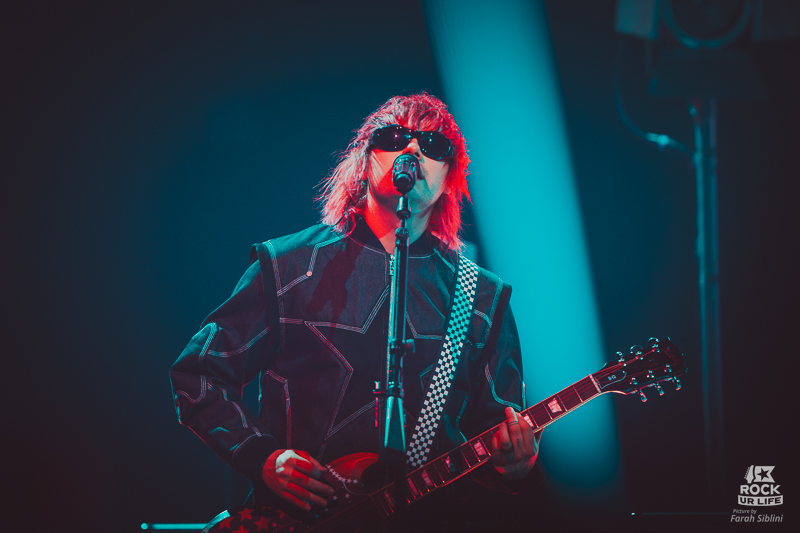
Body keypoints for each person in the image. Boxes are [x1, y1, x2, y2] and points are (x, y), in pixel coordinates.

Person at [170, 93, 540, 529]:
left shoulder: (480, 296)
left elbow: (497, 430)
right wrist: (263, 458)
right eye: (393, 138)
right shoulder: (288, 265)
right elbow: (198, 375)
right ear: (364, 161)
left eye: (434, 145)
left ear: (450, 179)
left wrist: (516, 464)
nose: (412, 148)